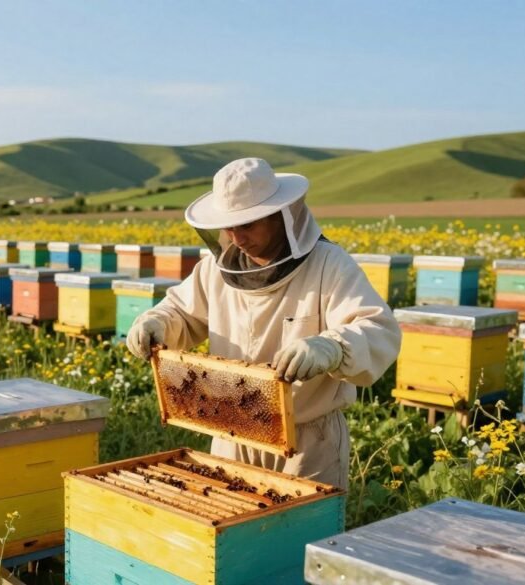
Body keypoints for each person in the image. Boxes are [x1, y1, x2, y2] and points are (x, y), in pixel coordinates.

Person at [126, 157, 400, 489]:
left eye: (248, 225)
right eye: (229, 227)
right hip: (230, 434)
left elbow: (377, 327)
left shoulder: (329, 265)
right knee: (235, 535)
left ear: (280, 216)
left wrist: (331, 347)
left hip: (307, 443)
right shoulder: (216, 270)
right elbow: (181, 313)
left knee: (301, 537)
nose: (237, 238)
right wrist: (155, 323)